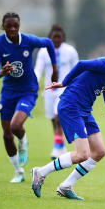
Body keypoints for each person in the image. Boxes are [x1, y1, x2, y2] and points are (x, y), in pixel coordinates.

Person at [31, 40, 105, 200]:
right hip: (71, 105)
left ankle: (66, 186)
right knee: (82, 154)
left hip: (85, 110)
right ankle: (40, 173)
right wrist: (64, 83)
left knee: (99, 151)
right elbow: (81, 64)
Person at [0, 12, 58, 183]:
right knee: (6, 135)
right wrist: (1, 72)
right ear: (3, 26)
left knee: (15, 126)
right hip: (8, 92)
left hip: (28, 90)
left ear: (19, 25)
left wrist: (55, 69)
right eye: (9, 25)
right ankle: (18, 172)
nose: (12, 28)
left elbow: (49, 43)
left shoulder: (28, 40)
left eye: (15, 25)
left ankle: (23, 142)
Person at [35, 24, 79, 159]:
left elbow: (77, 68)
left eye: (59, 37)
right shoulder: (43, 52)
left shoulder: (70, 51)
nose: (57, 39)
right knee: (53, 119)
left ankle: (56, 148)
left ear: (63, 38)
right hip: (49, 90)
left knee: (58, 115)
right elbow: (38, 69)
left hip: (64, 89)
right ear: (50, 37)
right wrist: (36, 80)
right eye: (54, 37)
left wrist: (76, 86)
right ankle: (60, 145)